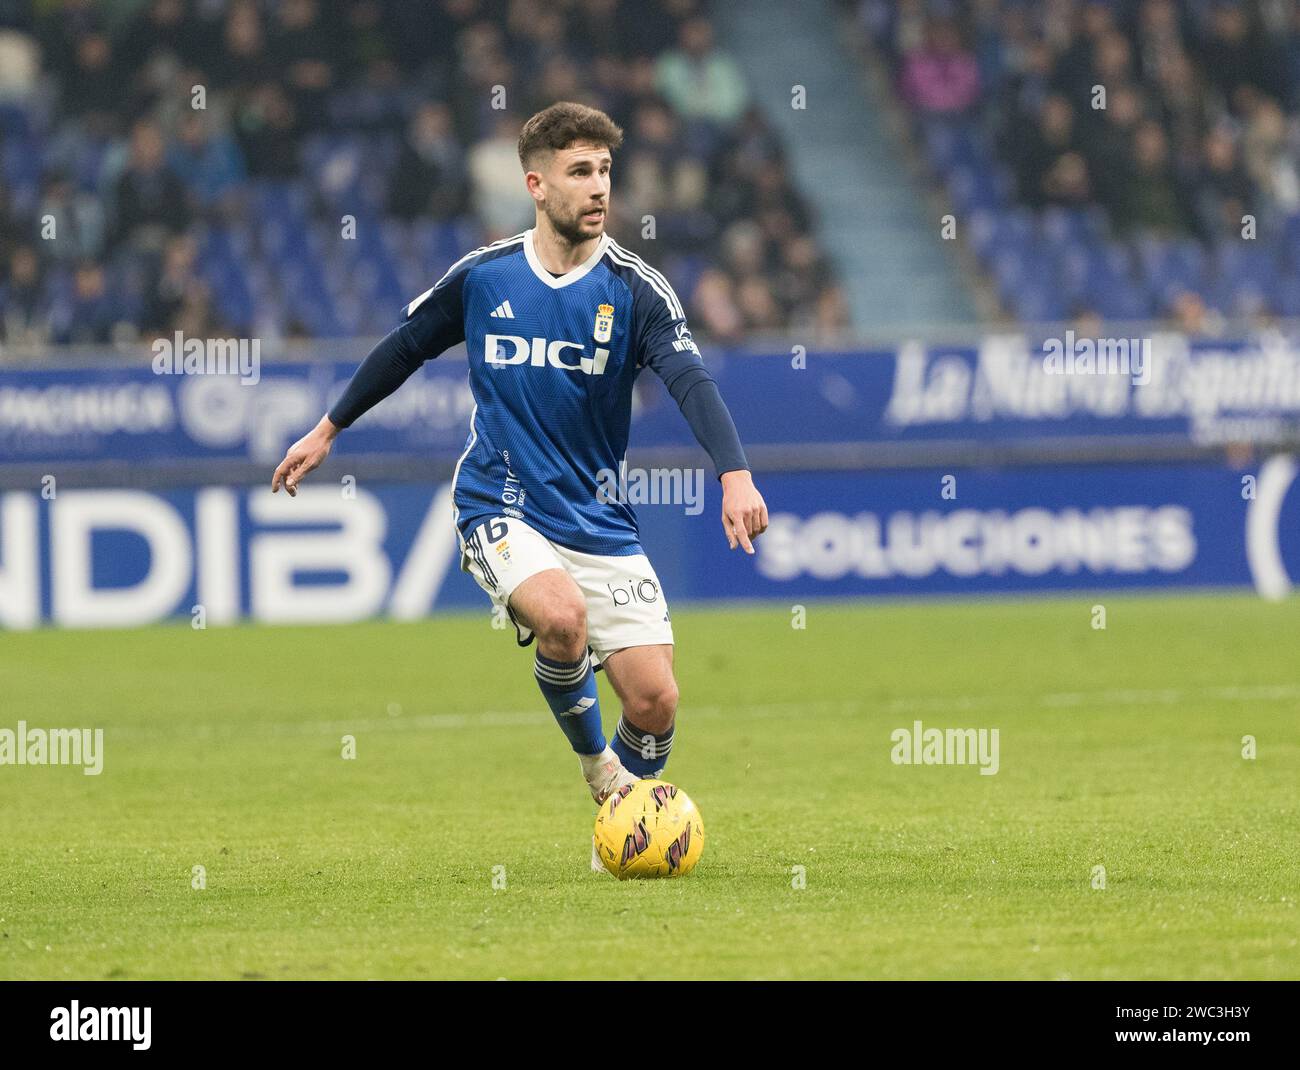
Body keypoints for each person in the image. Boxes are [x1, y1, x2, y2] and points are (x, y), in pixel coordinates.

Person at [271, 101, 767, 869]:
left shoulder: (637, 291)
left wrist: (733, 472)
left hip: (598, 518)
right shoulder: (486, 276)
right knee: (561, 619)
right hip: (499, 502)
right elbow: (406, 345)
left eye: (605, 170)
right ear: (536, 184)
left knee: (656, 701)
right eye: (580, 172)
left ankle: (622, 840)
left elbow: (690, 380)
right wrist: (329, 427)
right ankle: (599, 774)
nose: (599, 187)